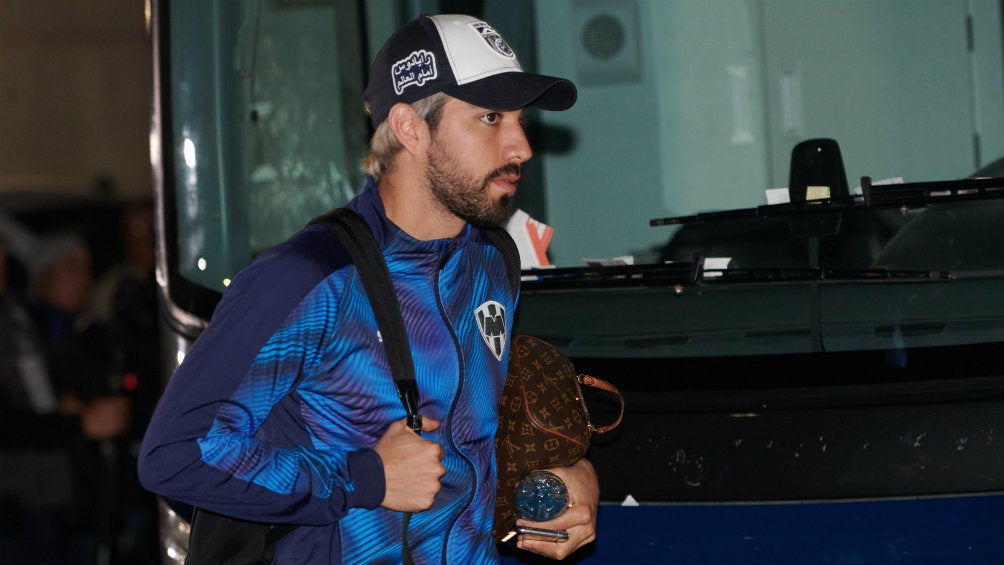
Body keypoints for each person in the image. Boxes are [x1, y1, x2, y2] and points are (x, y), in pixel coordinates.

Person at [138, 13, 598, 564]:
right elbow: (176, 457)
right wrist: (363, 479)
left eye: (519, 119)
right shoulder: (309, 278)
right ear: (409, 127)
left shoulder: (490, 262)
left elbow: (472, 441)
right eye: (490, 117)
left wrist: (576, 476)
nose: (521, 145)